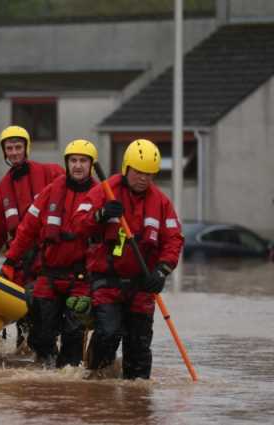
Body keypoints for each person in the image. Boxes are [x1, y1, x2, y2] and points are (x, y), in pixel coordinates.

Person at [71, 139, 184, 379]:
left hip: (142, 284)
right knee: (109, 333)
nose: (144, 178)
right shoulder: (106, 190)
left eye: (150, 174)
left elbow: (174, 240)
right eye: (139, 172)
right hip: (107, 280)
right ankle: (94, 381)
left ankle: (137, 404)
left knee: (139, 348)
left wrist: (162, 271)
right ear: (127, 168)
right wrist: (101, 214)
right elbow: (78, 223)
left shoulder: (161, 203)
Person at [1, 139, 98, 368]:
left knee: (73, 333)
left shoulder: (100, 196)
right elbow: (27, 229)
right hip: (50, 274)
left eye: (83, 161)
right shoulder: (52, 190)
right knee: (40, 334)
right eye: (73, 160)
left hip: (81, 278)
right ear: (66, 163)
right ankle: (48, 377)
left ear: (91, 165)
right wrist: (10, 260)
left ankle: (69, 378)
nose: (77, 166)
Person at [0, 125, 63, 348]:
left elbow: (79, 186)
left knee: (45, 313)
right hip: (19, 264)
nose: (14, 152)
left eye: (18, 147)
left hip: (48, 260)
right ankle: (27, 360)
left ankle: (48, 355)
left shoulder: (50, 172)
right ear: (4, 152)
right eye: (9, 148)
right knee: (24, 320)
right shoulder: (2, 188)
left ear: (27, 148)